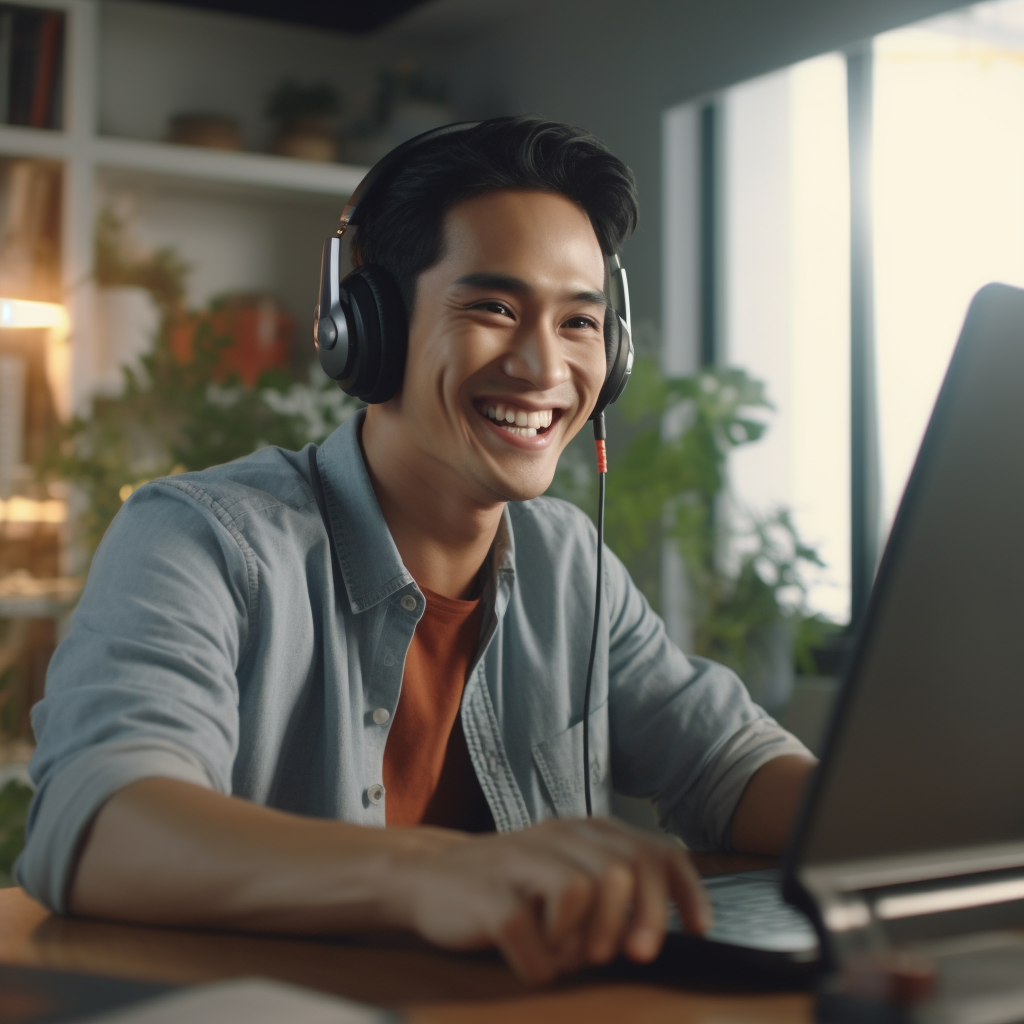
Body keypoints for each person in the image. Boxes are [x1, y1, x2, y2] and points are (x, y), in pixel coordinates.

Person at [19, 117, 815, 984]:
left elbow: (730, 766)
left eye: (581, 323)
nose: (545, 366)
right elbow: (102, 825)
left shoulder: (570, 566)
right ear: (371, 328)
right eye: (493, 308)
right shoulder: (201, 539)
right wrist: (434, 872)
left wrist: (922, 815)